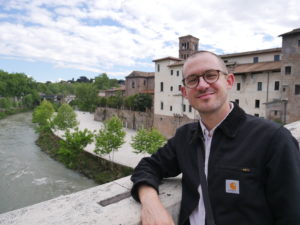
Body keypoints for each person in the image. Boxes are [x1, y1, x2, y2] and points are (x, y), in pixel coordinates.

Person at [130, 51, 300, 225]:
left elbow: (292, 216)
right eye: (192, 80)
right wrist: (151, 204)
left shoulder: (274, 140)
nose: (202, 85)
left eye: (211, 75)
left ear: (229, 81)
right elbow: (148, 166)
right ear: (184, 92)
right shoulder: (184, 137)